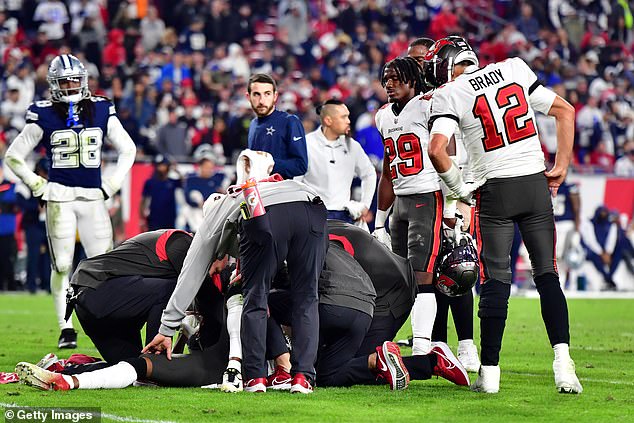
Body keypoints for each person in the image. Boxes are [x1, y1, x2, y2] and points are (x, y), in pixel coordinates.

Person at [424, 36, 582, 394]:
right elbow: (565, 111)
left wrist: (458, 189)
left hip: (494, 189)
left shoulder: (450, 94)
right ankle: (563, 365)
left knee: (495, 280)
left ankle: (490, 374)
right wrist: (561, 166)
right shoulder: (513, 68)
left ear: (448, 64)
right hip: (533, 183)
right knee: (547, 275)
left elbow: (437, 150)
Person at [143, 161, 328, 394]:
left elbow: (191, 272)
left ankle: (256, 378)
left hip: (263, 210)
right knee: (307, 297)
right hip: (312, 206)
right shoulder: (250, 192)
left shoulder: (215, 218)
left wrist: (167, 328)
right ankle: (302, 378)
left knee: (255, 297)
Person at [5, 54, 136, 349]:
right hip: (60, 197)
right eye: (64, 80)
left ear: (84, 80)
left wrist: (111, 183)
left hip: (92, 197)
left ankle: (109, 322)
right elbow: (13, 155)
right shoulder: (45, 113)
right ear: (54, 83)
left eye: (74, 79)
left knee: (105, 264)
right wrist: (38, 184)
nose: (70, 84)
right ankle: (66, 327)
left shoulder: (101, 108)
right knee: (62, 264)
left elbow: (128, 149)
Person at [407, 36, 480, 372]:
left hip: (452, 189)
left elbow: (456, 149)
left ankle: (466, 346)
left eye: (423, 60)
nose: (419, 67)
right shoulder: (412, 104)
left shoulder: (452, 96)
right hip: (424, 194)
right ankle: (437, 344)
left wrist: (459, 199)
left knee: (458, 267)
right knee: (428, 273)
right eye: (415, 61)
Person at [373, 56, 444, 357]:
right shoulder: (383, 116)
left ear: (413, 79)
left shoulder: (429, 105)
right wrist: (379, 220)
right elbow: (388, 169)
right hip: (400, 203)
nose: (389, 84)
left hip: (427, 197)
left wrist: (455, 204)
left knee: (423, 275)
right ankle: (395, 343)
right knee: (402, 278)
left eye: (396, 78)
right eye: (386, 79)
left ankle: (422, 349)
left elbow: (449, 152)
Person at [67, 229, 194, 364]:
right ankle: (158, 361)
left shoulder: (175, 242)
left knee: (134, 368)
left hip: (91, 301)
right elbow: (194, 296)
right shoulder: (183, 242)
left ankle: (68, 368)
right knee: (171, 290)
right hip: (97, 291)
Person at [297, 99, 376, 225]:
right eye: (344, 117)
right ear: (328, 121)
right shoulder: (306, 145)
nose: (349, 121)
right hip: (313, 216)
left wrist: (365, 205)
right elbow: (296, 183)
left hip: (343, 216)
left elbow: (369, 174)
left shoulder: (353, 146)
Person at [246, 73, 308, 179]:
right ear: (248, 97)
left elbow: (301, 166)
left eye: (267, 94)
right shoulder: (253, 124)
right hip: (258, 191)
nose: (261, 101)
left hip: (280, 192)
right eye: (256, 94)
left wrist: (269, 164)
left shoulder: (290, 122)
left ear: (275, 96)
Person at [15, 158, 52, 294]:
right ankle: (31, 286)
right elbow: (20, 201)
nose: (46, 175)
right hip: (33, 224)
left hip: (48, 223)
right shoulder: (28, 183)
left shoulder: (52, 181)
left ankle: (48, 285)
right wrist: (36, 208)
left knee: (50, 257)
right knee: (34, 255)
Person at [140, 155, 183, 231]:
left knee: (169, 239)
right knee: (153, 239)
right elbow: (143, 200)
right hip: (154, 217)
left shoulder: (172, 182)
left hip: (170, 217)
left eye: (164, 165)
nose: (161, 168)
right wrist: (142, 218)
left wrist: (176, 170)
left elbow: (183, 182)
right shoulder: (150, 182)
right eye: (159, 165)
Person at [0, 163, 18, 291]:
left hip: (6, 228)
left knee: (7, 258)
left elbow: (13, 201)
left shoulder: (10, 185)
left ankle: (10, 285)